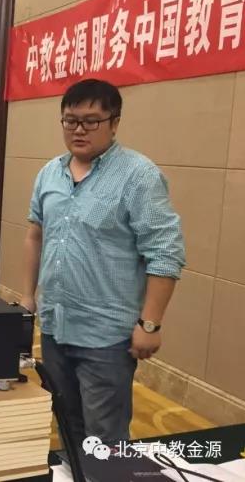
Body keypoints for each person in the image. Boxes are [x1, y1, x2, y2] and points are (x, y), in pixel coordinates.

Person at [21, 79, 185, 444]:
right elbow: (35, 234)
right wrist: (28, 296)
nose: (79, 129)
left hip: (106, 336)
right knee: (66, 423)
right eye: (70, 120)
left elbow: (165, 252)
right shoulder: (49, 173)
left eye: (91, 121)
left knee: (105, 437)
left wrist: (150, 323)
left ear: (114, 123)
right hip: (55, 325)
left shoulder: (138, 176)